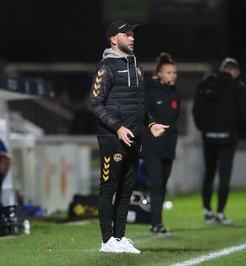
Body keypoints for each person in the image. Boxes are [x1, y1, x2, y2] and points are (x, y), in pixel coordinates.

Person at [89, 20, 169, 254]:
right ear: (113, 39)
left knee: (126, 190)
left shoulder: (137, 66)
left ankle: (120, 237)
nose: (132, 38)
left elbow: (138, 104)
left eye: (133, 34)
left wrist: (151, 123)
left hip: (135, 137)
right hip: (112, 138)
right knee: (108, 189)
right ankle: (107, 241)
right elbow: (95, 104)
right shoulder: (105, 67)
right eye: (126, 34)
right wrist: (118, 128)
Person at [192, 57, 246, 225]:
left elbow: (196, 110)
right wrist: (235, 131)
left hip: (208, 137)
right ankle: (220, 213)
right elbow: (245, 114)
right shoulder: (238, 87)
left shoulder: (205, 84)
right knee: (224, 176)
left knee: (208, 174)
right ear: (234, 71)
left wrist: (204, 129)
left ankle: (207, 212)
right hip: (228, 138)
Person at [141, 53, 180, 233]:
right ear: (159, 73)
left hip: (169, 146)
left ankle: (156, 219)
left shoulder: (175, 93)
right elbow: (143, 115)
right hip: (152, 146)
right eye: (169, 72)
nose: (173, 75)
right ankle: (155, 222)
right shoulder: (149, 90)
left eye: (174, 72)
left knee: (163, 183)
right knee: (156, 182)